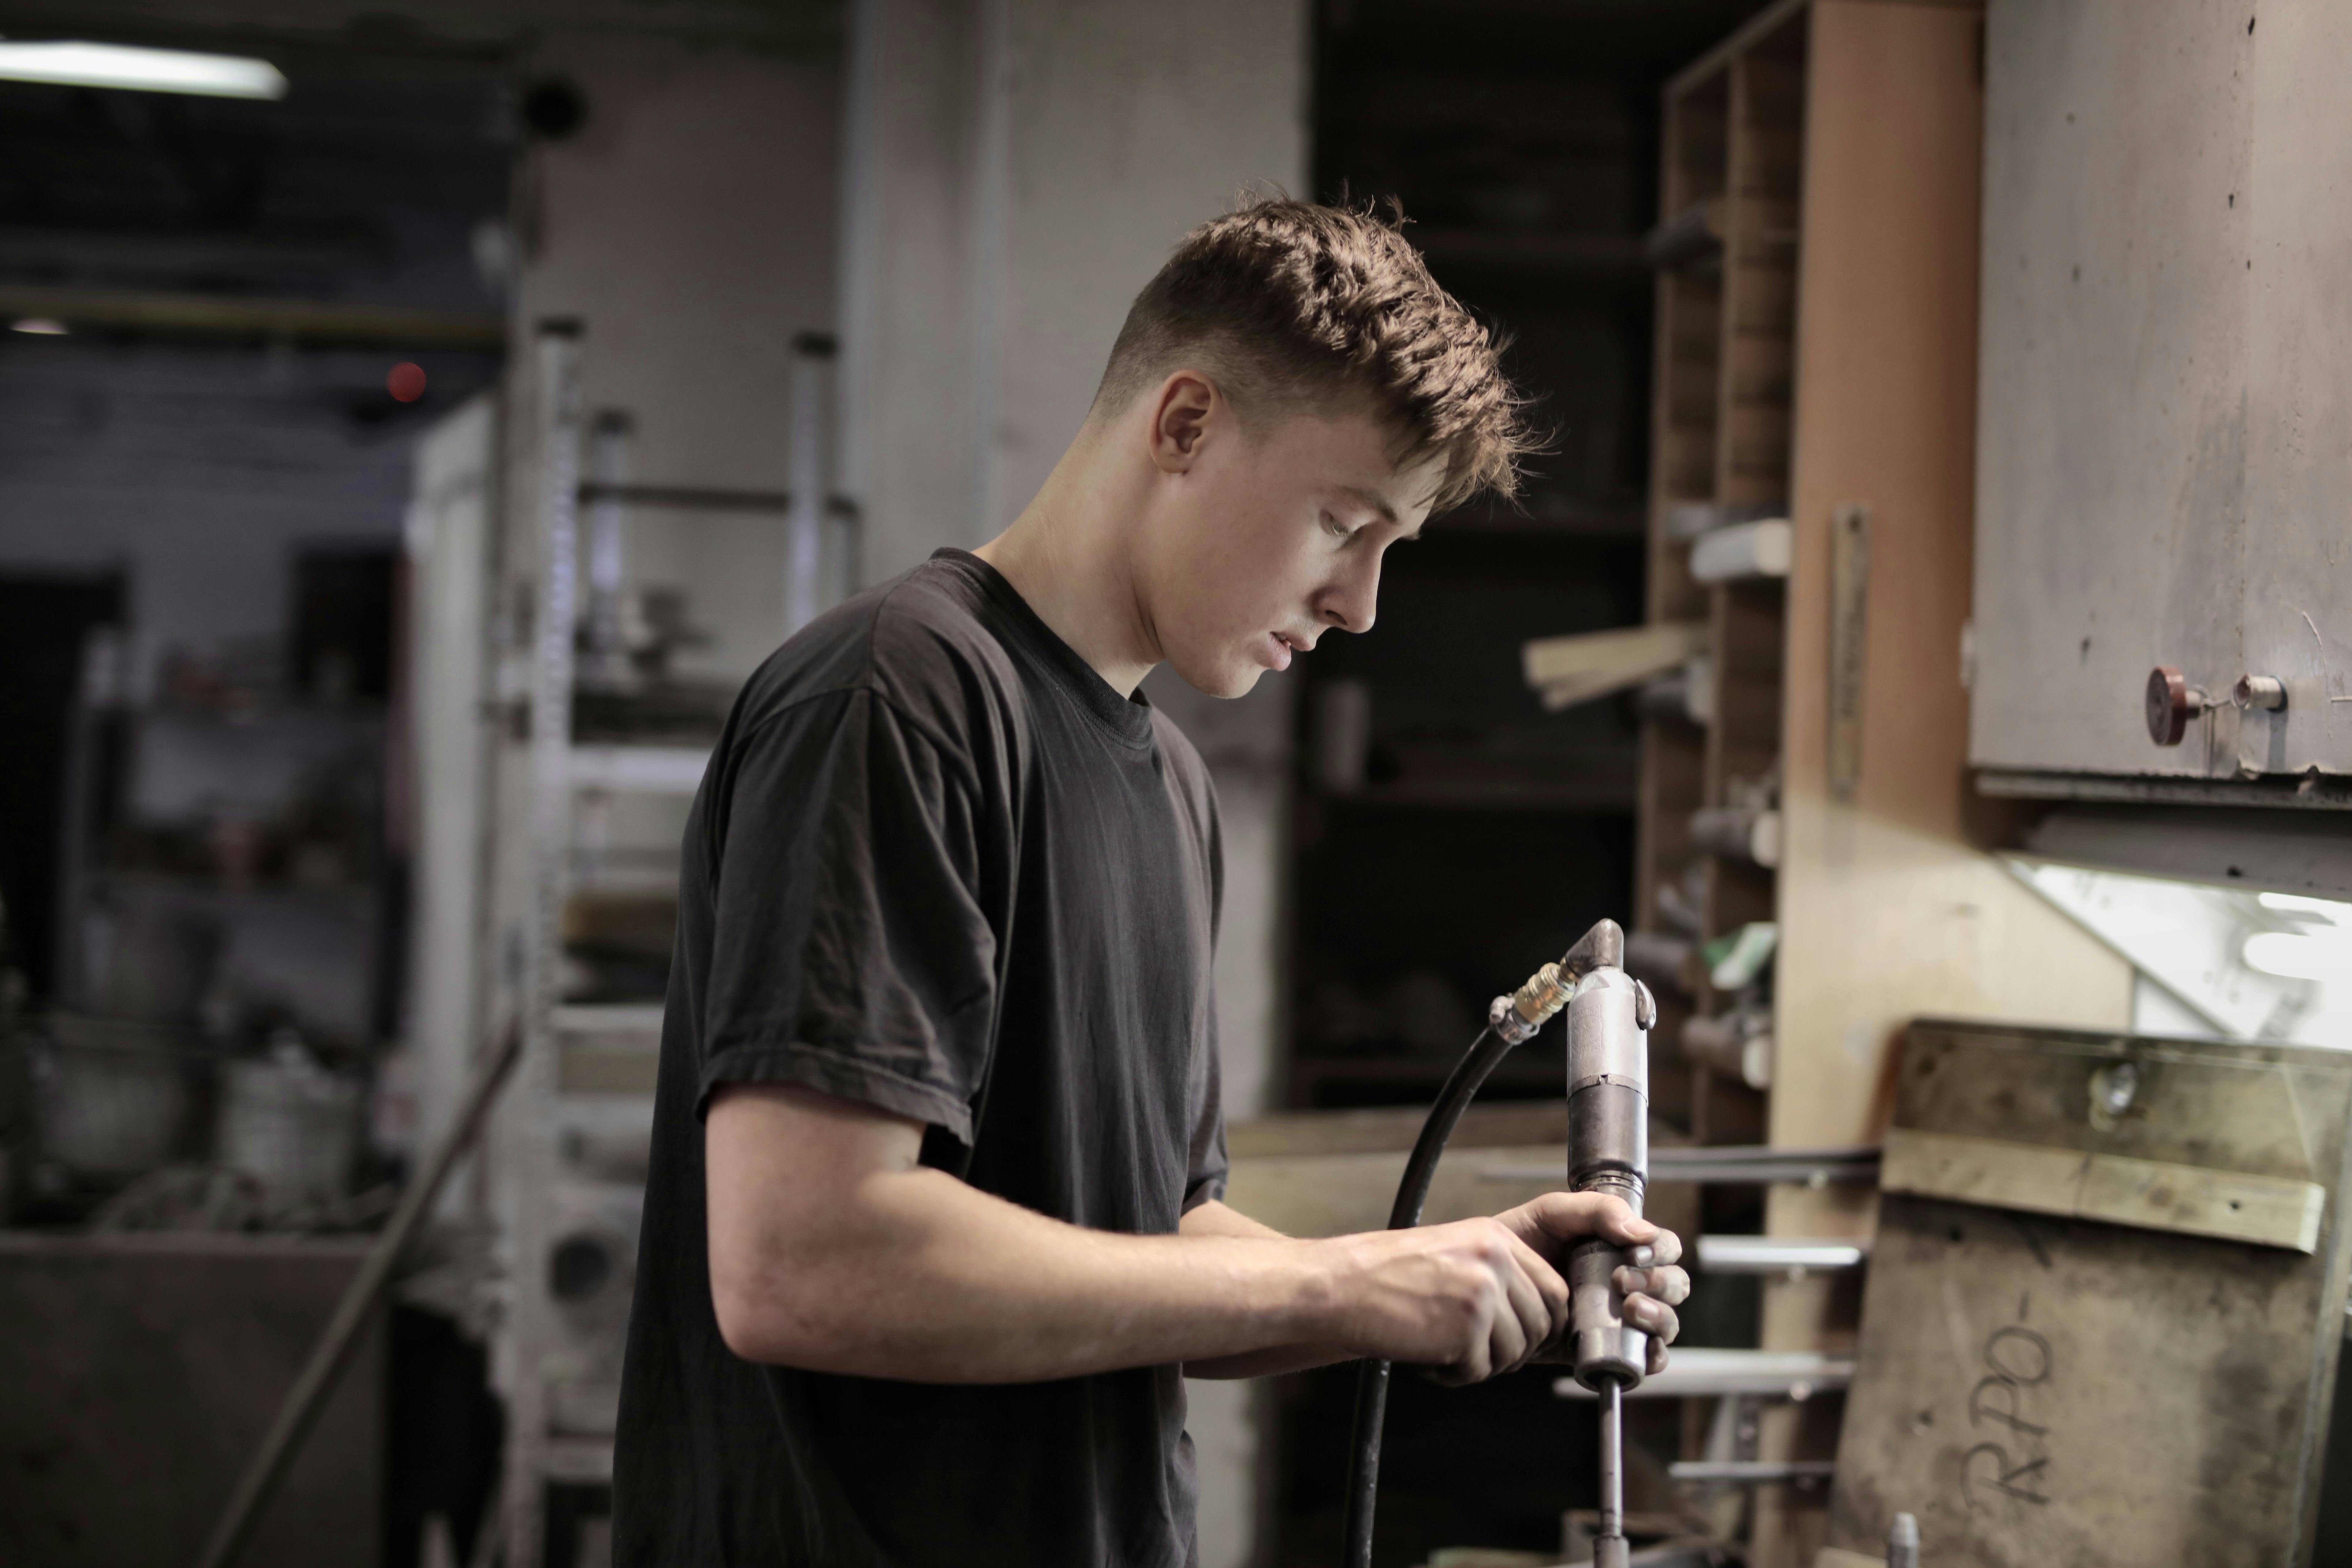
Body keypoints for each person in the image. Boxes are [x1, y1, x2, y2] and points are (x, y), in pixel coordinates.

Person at [611, 198, 1690, 1567]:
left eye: (1389, 551)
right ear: (1184, 425)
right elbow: (803, 1263)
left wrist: (1441, 1278)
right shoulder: (899, 700)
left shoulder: (1172, 787)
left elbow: (1154, 1236)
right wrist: (1346, 1276)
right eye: (1341, 524)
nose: (1360, 604)